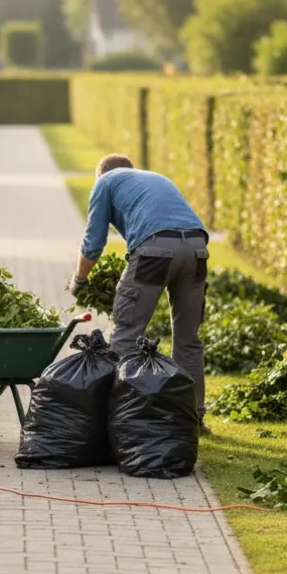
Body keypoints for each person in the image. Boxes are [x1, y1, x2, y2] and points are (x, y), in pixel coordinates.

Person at [68, 154, 212, 434]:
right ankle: (193, 419)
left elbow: (93, 244)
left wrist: (79, 280)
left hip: (155, 252)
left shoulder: (105, 182)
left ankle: (117, 420)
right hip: (196, 249)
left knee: (125, 336)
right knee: (188, 340)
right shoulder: (155, 178)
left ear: (102, 175)